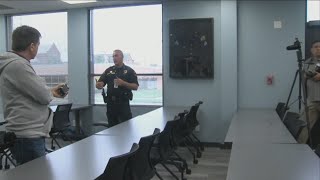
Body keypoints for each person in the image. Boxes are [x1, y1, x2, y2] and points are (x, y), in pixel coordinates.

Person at [0, 25, 66, 165]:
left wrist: (51, 90)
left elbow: (32, 92)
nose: (37, 48)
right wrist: (48, 92)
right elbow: (44, 97)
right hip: (27, 135)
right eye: (37, 45)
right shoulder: (18, 65)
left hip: (28, 134)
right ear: (31, 46)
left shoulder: (16, 63)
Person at [96, 50, 139, 127]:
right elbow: (100, 82)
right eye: (113, 56)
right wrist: (99, 84)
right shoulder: (109, 70)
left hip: (123, 103)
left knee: (126, 128)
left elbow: (135, 86)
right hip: (111, 104)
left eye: (116, 56)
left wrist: (123, 83)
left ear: (122, 57)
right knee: (112, 128)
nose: (114, 58)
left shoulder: (129, 71)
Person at [298, 40, 320, 144]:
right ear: (311, 50)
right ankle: (299, 148)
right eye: (315, 47)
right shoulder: (307, 62)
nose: (318, 49)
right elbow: (304, 77)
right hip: (312, 100)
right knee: (305, 126)